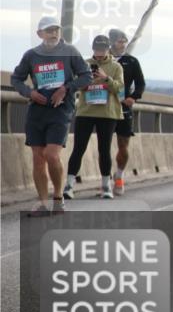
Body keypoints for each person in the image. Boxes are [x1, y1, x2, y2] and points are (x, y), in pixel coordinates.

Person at [11, 16, 92, 216]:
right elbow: (16, 78)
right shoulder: (31, 55)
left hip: (61, 110)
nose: (54, 33)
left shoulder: (70, 52)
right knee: (38, 158)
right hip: (37, 111)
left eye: (56, 29)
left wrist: (66, 88)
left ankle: (58, 197)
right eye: (49, 30)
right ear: (40, 34)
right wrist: (29, 93)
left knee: (51, 155)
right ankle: (43, 203)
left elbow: (86, 76)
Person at [65, 35, 124, 200]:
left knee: (104, 149)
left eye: (103, 50)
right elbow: (75, 85)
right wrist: (87, 81)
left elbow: (120, 89)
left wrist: (106, 78)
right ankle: (69, 185)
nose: (99, 53)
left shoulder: (116, 66)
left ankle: (106, 186)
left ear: (108, 49)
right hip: (86, 111)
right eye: (97, 50)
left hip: (107, 113)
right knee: (78, 148)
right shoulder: (84, 64)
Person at [108, 28, 145, 196]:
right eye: (119, 41)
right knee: (104, 145)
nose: (122, 44)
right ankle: (105, 178)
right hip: (105, 108)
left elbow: (140, 83)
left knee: (123, 145)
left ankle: (119, 176)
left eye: (124, 41)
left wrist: (134, 97)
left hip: (124, 108)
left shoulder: (132, 61)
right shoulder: (102, 58)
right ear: (111, 42)